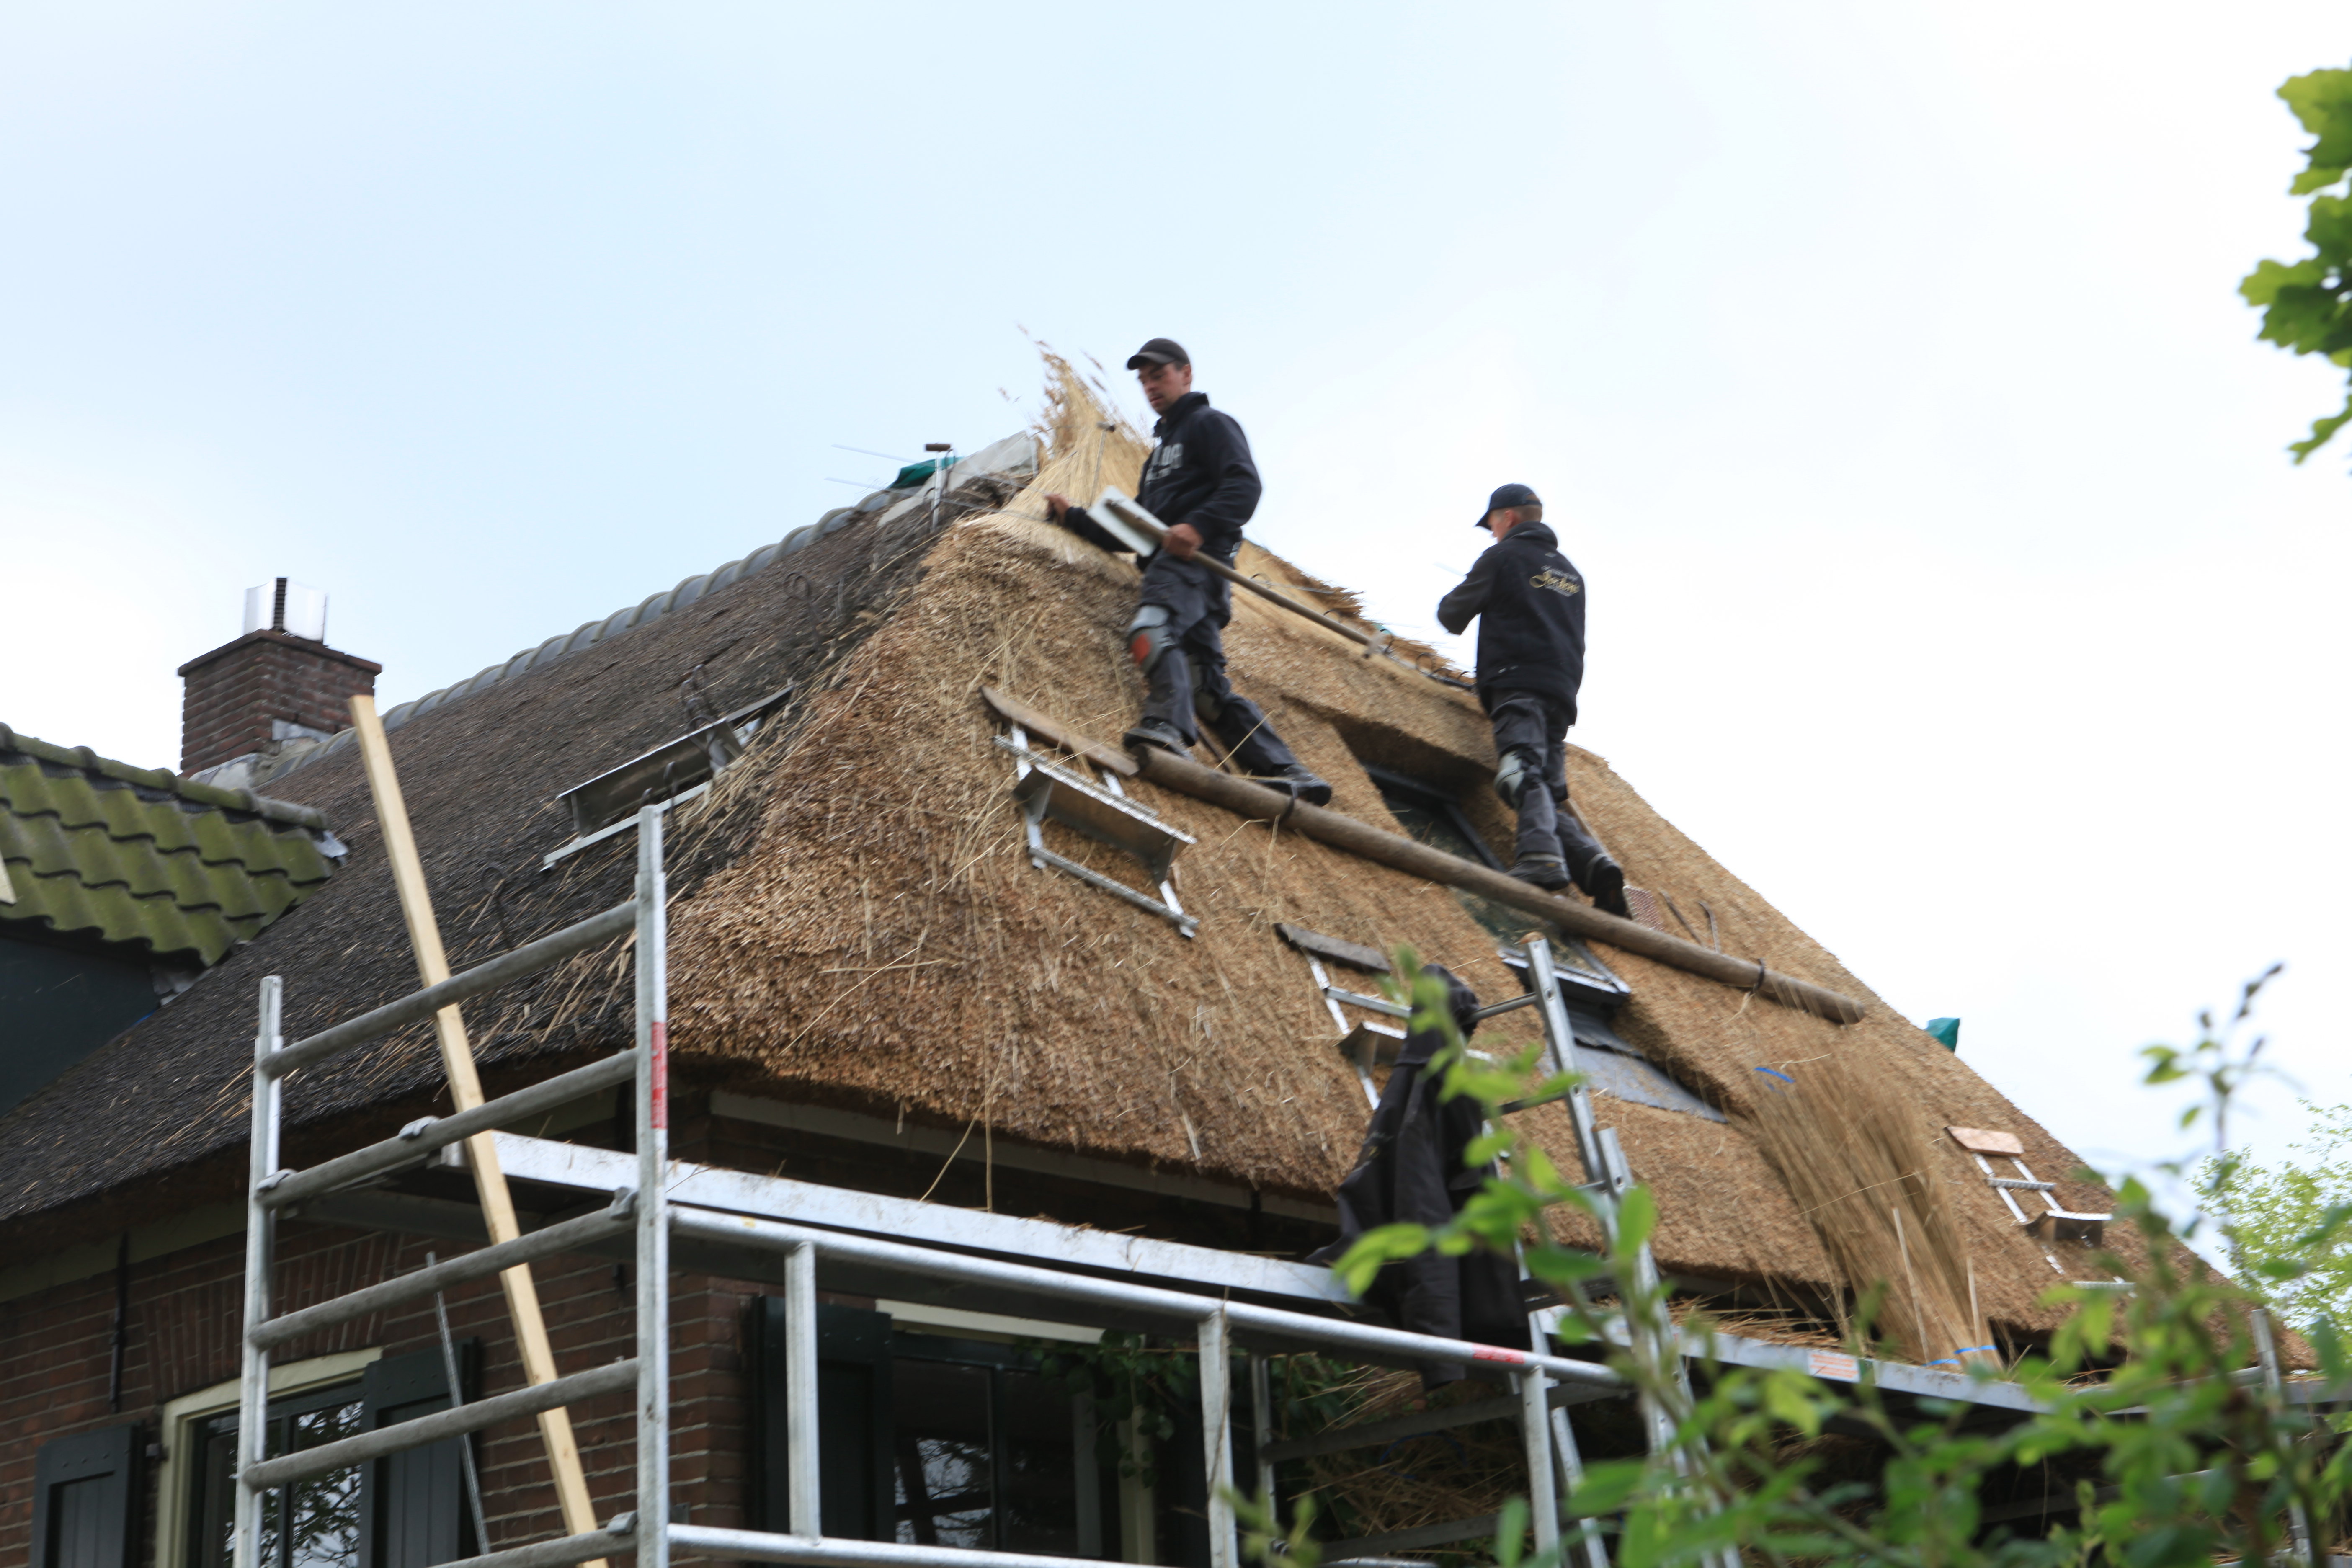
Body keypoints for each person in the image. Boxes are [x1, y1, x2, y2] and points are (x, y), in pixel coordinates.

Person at [1045, 339, 1330, 804]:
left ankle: (1168, 728)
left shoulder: (1209, 424)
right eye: (1143, 381)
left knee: (1150, 631)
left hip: (1192, 564)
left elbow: (1245, 485)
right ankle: (1287, 769)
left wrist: (1197, 527)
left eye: (1158, 376)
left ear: (1187, 375)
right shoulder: (1157, 459)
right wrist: (1073, 517)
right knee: (1206, 688)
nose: (1150, 387)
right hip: (1183, 569)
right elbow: (1135, 528)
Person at [1436, 483, 1628, 912]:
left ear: (1507, 517)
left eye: (1491, 525)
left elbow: (1452, 615)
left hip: (1516, 679)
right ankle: (1593, 864)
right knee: (1544, 789)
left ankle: (1540, 859)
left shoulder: (1503, 557)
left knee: (1520, 774)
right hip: (1561, 692)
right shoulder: (1572, 574)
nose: (1490, 534)